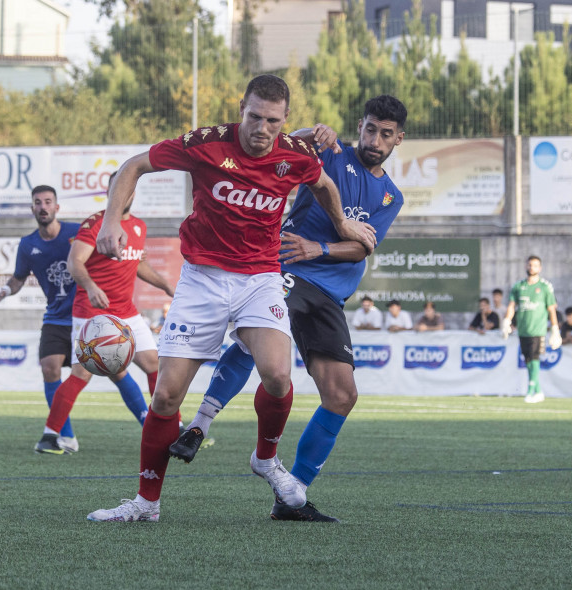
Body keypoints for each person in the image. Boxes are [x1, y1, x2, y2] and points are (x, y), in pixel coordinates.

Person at [87, 75, 377, 523]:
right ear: (241, 107)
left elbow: (322, 184)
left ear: (285, 121)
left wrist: (341, 224)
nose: (262, 129)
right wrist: (111, 221)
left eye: (273, 121)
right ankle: (146, 504)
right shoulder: (205, 143)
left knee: (278, 375)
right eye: (255, 117)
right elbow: (133, 166)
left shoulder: (294, 154)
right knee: (165, 397)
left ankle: (265, 459)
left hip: (260, 277)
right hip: (202, 278)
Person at [167, 94, 407, 522]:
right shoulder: (332, 153)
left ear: (398, 140)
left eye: (386, 134)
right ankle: (201, 423)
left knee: (341, 394)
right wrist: (306, 134)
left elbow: (361, 248)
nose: (375, 139)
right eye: (370, 129)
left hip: (331, 294)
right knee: (255, 340)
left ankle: (291, 491)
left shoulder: (391, 196)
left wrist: (322, 246)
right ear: (360, 126)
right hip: (286, 269)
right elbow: (272, 147)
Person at [34, 187, 174, 454]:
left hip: (126, 313)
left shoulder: (138, 226)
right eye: (117, 189)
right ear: (111, 194)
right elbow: (75, 261)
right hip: (92, 310)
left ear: (132, 194)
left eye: (127, 189)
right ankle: (50, 436)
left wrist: (166, 286)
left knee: (154, 364)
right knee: (82, 373)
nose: (122, 194)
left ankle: (170, 429)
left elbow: (138, 264)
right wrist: (90, 287)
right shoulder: (96, 223)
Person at [0, 185, 82, 451]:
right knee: (49, 368)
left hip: (84, 317)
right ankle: (65, 437)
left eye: (48, 202)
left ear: (57, 207)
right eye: (38, 203)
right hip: (55, 317)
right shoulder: (28, 244)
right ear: (32, 209)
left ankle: (163, 427)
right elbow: (19, 278)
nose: (43, 207)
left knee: (119, 373)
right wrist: (5, 290)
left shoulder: (76, 233)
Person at [502, 255, 560, 404]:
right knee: (528, 360)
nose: (531, 268)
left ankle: (530, 390)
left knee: (535, 359)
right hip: (523, 330)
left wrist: (555, 329)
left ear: (539, 268)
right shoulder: (518, 287)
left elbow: (551, 308)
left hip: (538, 330)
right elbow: (511, 306)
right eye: (529, 265)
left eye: (534, 265)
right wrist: (507, 321)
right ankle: (539, 391)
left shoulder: (545, 287)